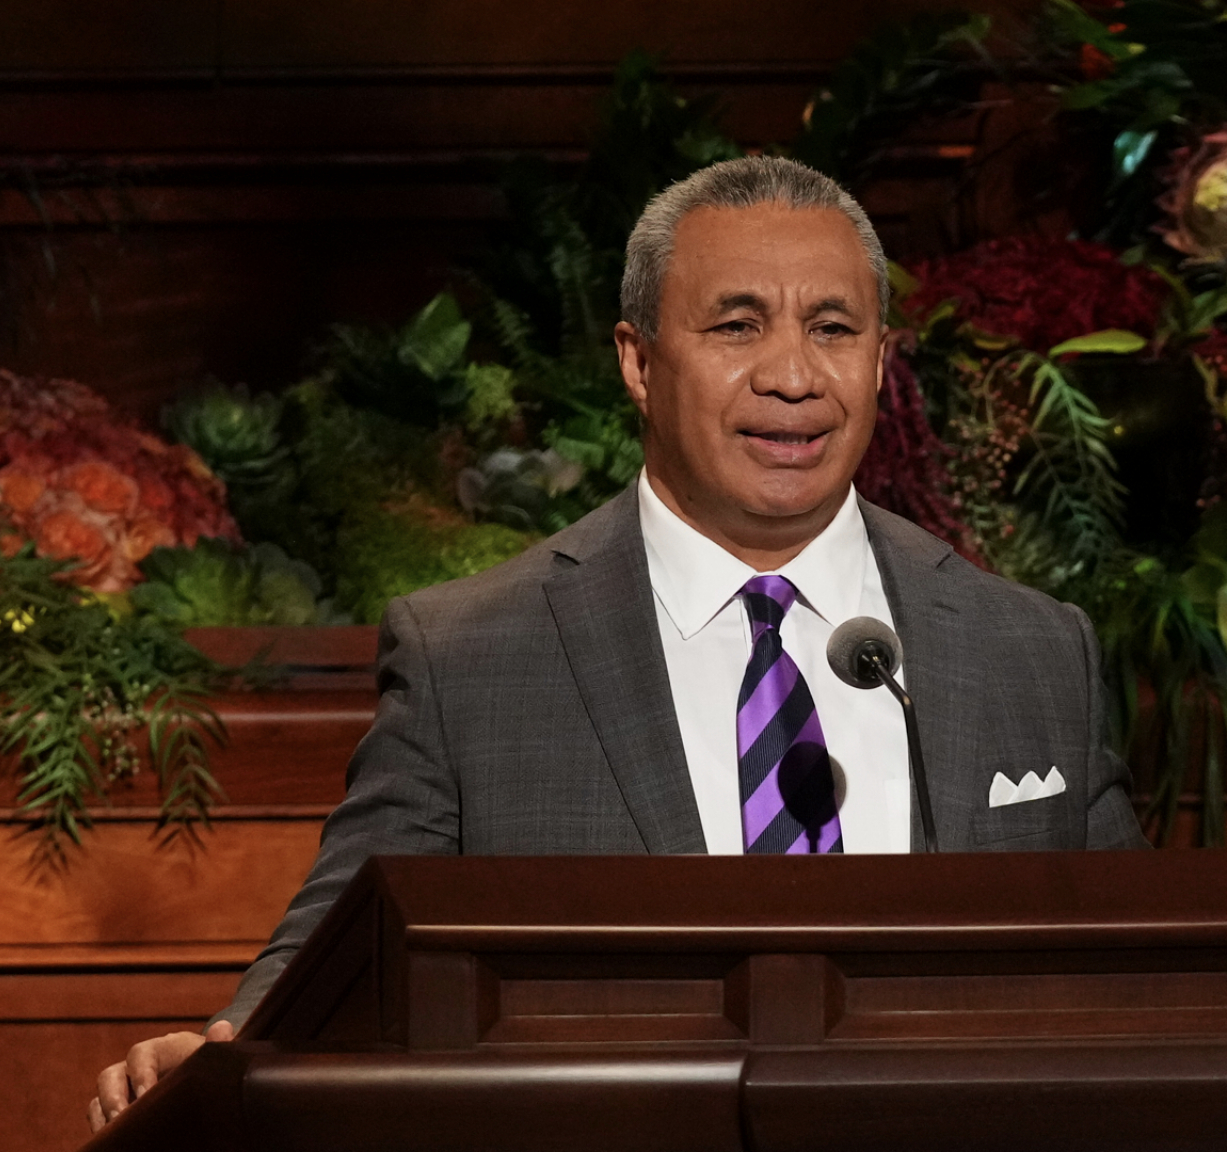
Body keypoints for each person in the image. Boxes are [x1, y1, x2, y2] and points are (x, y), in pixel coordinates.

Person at [89, 156, 1144, 1132]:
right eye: (737, 326)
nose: (793, 375)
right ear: (639, 363)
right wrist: (227, 1052)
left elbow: (1143, 981)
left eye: (832, 328)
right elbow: (345, 943)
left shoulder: (1027, 649)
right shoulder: (472, 657)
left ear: (878, 360)